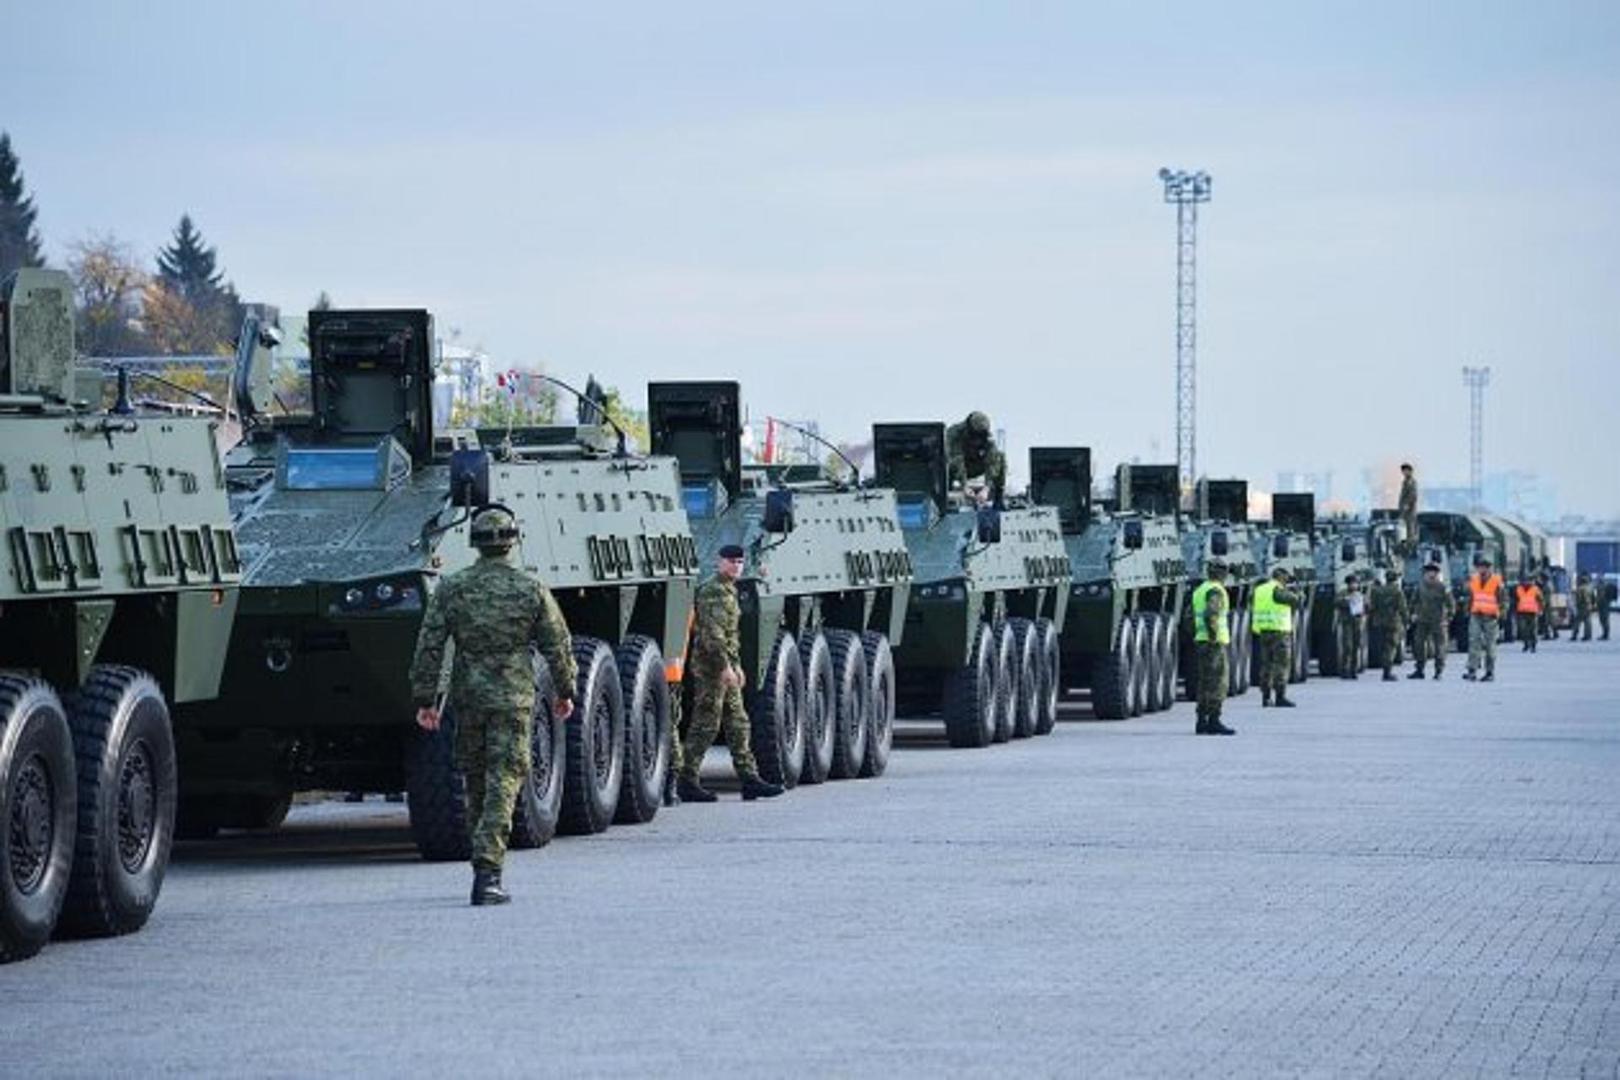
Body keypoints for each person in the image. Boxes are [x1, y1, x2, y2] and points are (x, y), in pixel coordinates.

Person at [409, 506, 577, 906]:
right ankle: (488, 872)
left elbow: (429, 646)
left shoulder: (452, 588)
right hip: (513, 697)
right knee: (506, 778)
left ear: (475, 543)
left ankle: (482, 864)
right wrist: (565, 690)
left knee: (476, 780)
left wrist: (425, 698)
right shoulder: (530, 588)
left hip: (468, 697)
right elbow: (557, 645)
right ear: (512, 541)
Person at [677, 544, 785, 802]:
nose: (736, 566)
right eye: (731, 561)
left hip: (726, 669)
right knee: (706, 725)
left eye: (739, 562)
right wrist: (725, 667)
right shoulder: (713, 591)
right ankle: (686, 780)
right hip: (711, 669)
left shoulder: (729, 590)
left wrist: (736, 667)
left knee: (738, 723)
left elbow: (730, 636)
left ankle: (750, 779)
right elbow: (712, 636)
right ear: (720, 562)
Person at [1191, 558, 1235, 734]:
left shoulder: (1200, 590)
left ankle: (1201, 721)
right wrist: (1213, 636)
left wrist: (1200, 634)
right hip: (1213, 643)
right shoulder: (1216, 590)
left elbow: (1189, 617)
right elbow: (1211, 613)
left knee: (1204, 682)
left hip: (1201, 640)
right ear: (1221, 573)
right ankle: (1214, 720)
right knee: (1218, 682)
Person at [1252, 566, 1303, 707]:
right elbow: (1296, 601)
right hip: (1279, 632)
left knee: (1266, 664)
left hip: (1264, 630)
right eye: (1286, 577)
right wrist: (1298, 592)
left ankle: (1266, 697)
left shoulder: (1260, 589)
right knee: (1281, 664)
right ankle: (1280, 696)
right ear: (1281, 577)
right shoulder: (1278, 590)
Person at [944, 411, 1007, 507]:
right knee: (944, 465)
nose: (978, 440)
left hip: (974, 465)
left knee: (1000, 457)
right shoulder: (954, 434)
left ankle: (999, 499)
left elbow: (993, 460)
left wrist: (986, 488)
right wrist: (964, 485)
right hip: (953, 469)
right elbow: (957, 459)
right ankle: (945, 500)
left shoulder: (986, 436)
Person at [1463, 556, 1506, 682]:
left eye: (1485, 567)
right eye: (1480, 567)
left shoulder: (1496, 582)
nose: (1482, 570)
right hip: (1476, 614)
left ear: (1489, 569)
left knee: (1490, 645)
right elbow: (1471, 597)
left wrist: (1501, 614)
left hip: (1490, 617)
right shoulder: (1474, 580)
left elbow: (1503, 600)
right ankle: (1472, 670)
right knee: (1474, 642)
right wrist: (1467, 610)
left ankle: (1489, 672)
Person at [1409, 562, 1454, 679]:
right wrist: (1413, 613)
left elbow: (1451, 604)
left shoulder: (1442, 587)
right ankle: (1419, 669)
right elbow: (1414, 600)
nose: (1430, 574)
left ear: (1437, 574)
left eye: (1433, 572)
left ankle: (1438, 670)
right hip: (1422, 619)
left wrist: (1448, 617)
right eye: (1428, 572)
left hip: (1439, 620)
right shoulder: (1420, 586)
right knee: (1419, 644)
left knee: (1440, 646)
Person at [1368, 569, 1410, 681]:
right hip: (1393, 622)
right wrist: (1406, 621)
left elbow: (1372, 607)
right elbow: (1403, 608)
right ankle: (1387, 672)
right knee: (1391, 647)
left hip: (1380, 622)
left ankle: (1385, 669)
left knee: (1383, 646)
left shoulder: (1377, 591)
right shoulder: (1397, 591)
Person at [1336, 574, 1367, 679]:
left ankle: (1353, 670)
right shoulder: (1343, 593)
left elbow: (1367, 606)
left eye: (1355, 583)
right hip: (1347, 623)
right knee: (1348, 646)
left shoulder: (1360, 594)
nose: (1354, 585)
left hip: (1358, 623)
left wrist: (1363, 603)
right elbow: (1336, 602)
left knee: (1356, 646)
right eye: (1352, 583)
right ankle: (1345, 669)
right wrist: (1347, 601)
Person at [1513, 575, 1543, 653]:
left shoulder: (1536, 589)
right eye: (1525, 580)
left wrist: (1540, 609)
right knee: (1523, 630)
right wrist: (1515, 610)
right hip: (1522, 612)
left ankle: (1533, 645)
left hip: (1533, 612)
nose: (1527, 582)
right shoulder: (1518, 589)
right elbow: (1515, 600)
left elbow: (1540, 600)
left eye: (1529, 580)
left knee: (1533, 630)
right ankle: (1526, 644)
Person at [1397, 463, 1419, 555]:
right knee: (1405, 529)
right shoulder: (1405, 481)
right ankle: (1406, 546)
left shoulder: (1411, 482)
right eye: (1403, 471)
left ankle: (1411, 548)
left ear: (1410, 471)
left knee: (1410, 530)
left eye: (1405, 471)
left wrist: (1407, 505)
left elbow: (1413, 495)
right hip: (1405, 510)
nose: (1404, 473)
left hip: (1410, 510)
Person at [1571, 574, 1595, 642]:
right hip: (1588, 606)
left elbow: (1579, 598)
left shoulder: (1580, 589)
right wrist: (1592, 605)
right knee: (1588, 622)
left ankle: (1574, 635)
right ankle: (1588, 635)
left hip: (1582, 607)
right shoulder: (1590, 588)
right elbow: (1593, 598)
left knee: (1577, 621)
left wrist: (1577, 605)